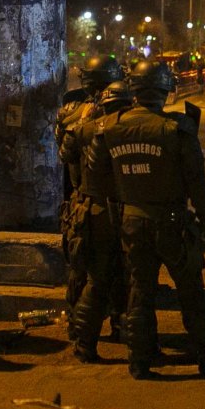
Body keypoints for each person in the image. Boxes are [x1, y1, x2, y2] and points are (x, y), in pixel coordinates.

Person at [89, 61, 205, 379]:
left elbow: (95, 179)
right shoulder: (176, 129)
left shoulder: (110, 127)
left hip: (132, 220)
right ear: (165, 90)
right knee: (190, 293)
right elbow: (196, 180)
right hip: (172, 223)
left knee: (139, 293)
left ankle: (139, 361)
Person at [59, 80, 133, 362]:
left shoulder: (83, 125)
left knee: (95, 279)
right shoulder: (127, 127)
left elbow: (64, 153)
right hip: (118, 211)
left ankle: (83, 340)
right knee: (123, 278)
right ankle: (125, 333)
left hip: (90, 210)